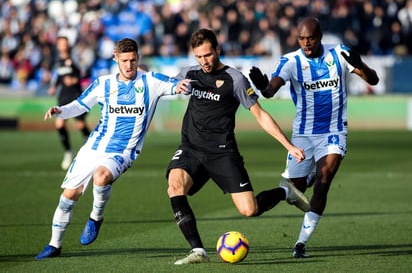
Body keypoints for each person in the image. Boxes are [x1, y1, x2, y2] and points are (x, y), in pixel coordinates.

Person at [35, 38, 192, 260]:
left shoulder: (151, 81)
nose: (129, 65)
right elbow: (81, 104)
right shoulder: (103, 84)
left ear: (138, 59)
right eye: (125, 60)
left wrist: (183, 86)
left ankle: (96, 217)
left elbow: (176, 85)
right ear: (115, 58)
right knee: (69, 195)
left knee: (101, 177)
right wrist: (60, 110)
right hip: (94, 146)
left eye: (133, 60)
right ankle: (54, 245)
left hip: (124, 150)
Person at [166, 28, 308, 265]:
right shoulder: (189, 73)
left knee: (249, 210)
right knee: (175, 186)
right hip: (191, 148)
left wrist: (288, 146)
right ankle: (199, 251)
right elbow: (163, 84)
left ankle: (285, 192)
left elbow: (260, 115)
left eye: (208, 55)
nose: (204, 61)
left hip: (222, 153)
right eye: (199, 57)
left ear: (217, 50)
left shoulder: (236, 79)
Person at [248, 17, 379, 258]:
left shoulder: (339, 53)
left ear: (320, 36)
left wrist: (361, 65)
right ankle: (294, 185)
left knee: (324, 180)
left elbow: (373, 80)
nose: (306, 43)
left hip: (334, 131)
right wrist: (262, 85)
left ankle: (300, 244)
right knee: (295, 192)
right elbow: (270, 91)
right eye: (301, 39)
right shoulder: (290, 61)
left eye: (310, 38)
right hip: (303, 135)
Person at [48, 36, 91, 170]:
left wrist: (74, 80)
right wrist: (53, 86)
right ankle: (68, 152)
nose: (64, 46)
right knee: (59, 124)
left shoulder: (74, 59)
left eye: (65, 44)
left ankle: (91, 148)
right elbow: (58, 77)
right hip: (63, 95)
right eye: (61, 44)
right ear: (58, 46)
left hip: (76, 94)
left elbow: (84, 73)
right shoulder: (56, 62)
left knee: (80, 125)